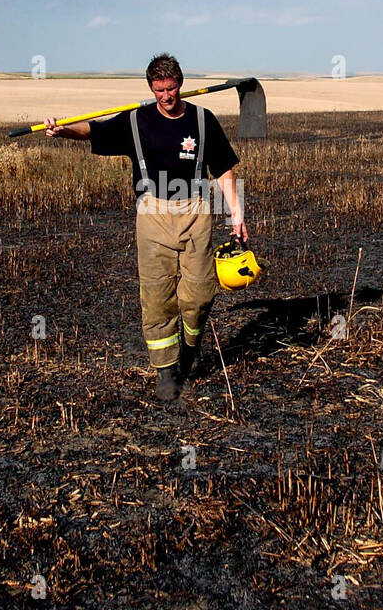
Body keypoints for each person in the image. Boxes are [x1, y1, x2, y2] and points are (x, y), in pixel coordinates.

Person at [44, 53, 248, 403]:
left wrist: (236, 214)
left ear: (180, 84)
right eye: (159, 90)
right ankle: (166, 370)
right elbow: (95, 130)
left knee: (198, 295)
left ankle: (190, 346)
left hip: (197, 210)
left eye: (171, 89)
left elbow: (225, 169)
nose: (166, 97)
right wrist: (62, 129)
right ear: (151, 88)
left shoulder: (203, 120)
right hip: (151, 214)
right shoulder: (136, 121)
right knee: (156, 297)